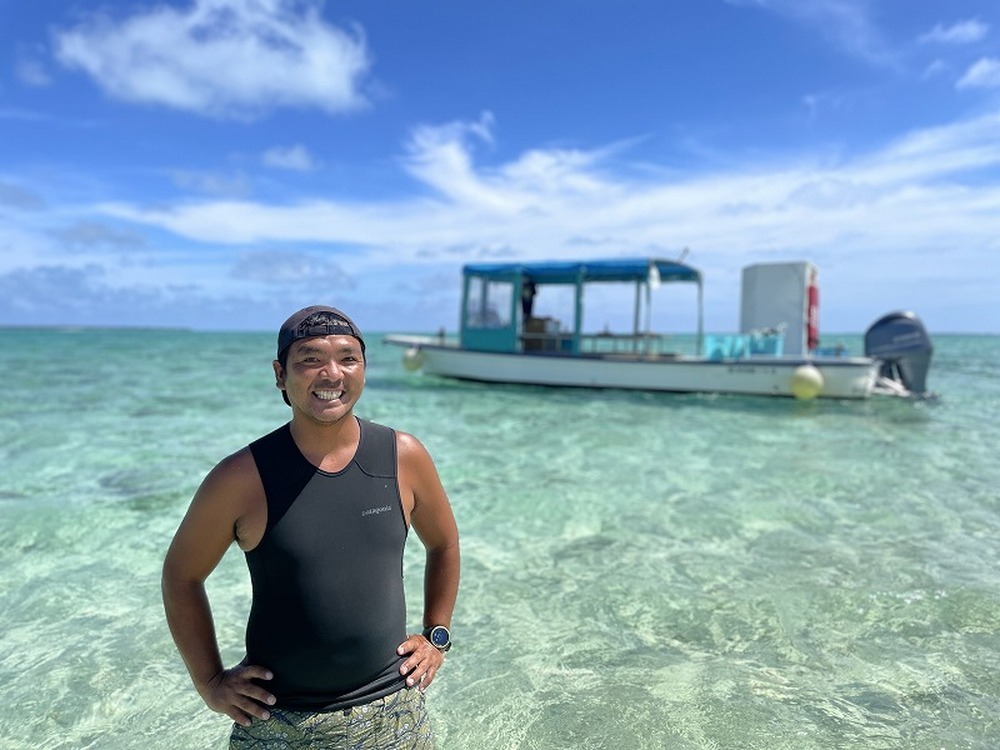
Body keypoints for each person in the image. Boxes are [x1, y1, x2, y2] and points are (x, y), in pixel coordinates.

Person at [162, 305, 460, 749]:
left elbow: (444, 543)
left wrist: (437, 636)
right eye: (310, 359)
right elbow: (181, 576)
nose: (332, 373)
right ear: (280, 375)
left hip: (391, 710)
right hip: (277, 719)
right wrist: (210, 682)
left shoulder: (402, 456)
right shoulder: (241, 477)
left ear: (364, 369)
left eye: (348, 358)